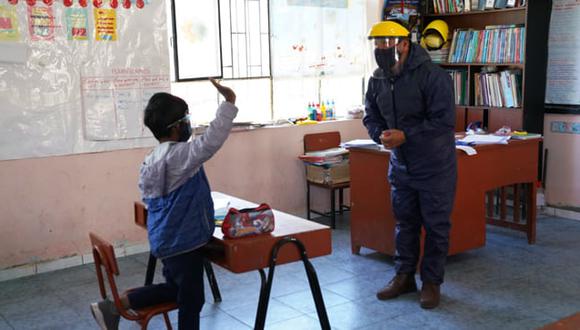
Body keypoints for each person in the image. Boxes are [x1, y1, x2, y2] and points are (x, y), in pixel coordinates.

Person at [90, 78, 238, 329]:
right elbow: (210, 142)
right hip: (184, 244)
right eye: (186, 120)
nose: (189, 124)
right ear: (175, 128)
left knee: (174, 289)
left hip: (166, 240)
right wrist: (229, 102)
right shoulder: (180, 156)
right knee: (192, 301)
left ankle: (116, 304)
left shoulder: (153, 158)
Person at [363, 20, 457, 309]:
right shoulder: (377, 79)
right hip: (401, 167)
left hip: (434, 166)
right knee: (405, 224)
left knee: (436, 227)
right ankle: (404, 277)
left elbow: (443, 122)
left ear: (405, 44)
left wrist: (406, 135)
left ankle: (431, 282)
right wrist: (379, 134)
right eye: (377, 44)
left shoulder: (433, 76)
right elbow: (371, 115)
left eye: (387, 44)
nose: (381, 49)